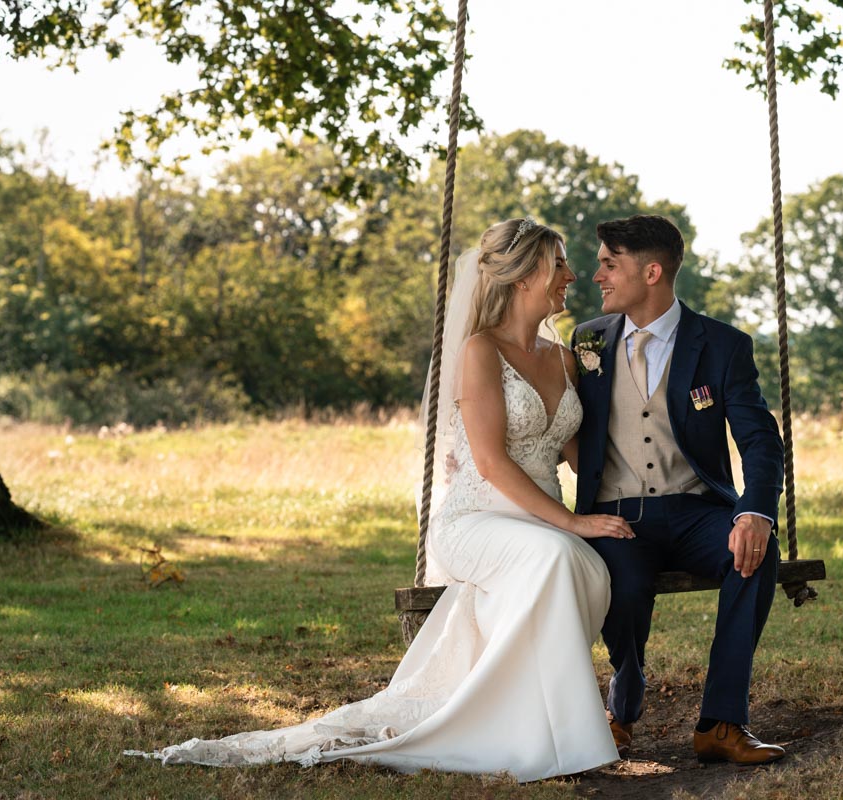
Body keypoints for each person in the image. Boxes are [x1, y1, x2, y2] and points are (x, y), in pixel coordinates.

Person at [125, 218, 634, 781]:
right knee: (561, 557)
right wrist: (572, 521)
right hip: (480, 518)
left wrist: (634, 483)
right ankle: (567, 738)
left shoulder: (566, 358)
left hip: (539, 522)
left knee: (585, 568)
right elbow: (489, 463)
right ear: (524, 276)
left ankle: (520, 726)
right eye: (559, 263)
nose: (571, 275)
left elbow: (570, 451)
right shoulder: (479, 351)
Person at [571, 214, 786, 765]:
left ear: (651, 271)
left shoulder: (722, 346)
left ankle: (721, 721)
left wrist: (756, 511)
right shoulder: (587, 340)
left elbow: (760, 440)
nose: (598, 275)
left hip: (697, 510)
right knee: (622, 583)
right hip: (617, 514)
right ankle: (624, 700)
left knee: (755, 557)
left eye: (609, 263)